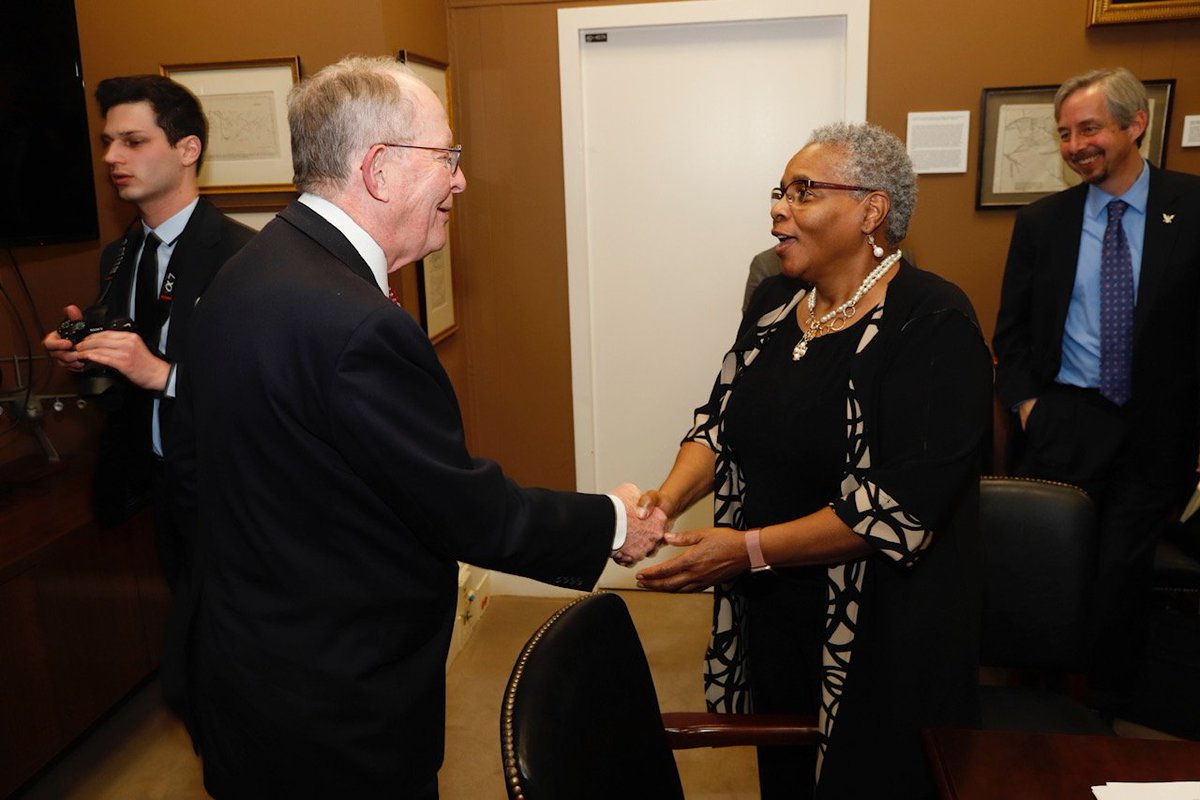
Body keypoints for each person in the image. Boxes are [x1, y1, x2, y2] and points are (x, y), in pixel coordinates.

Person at [162, 55, 665, 799]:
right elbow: (466, 510)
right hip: (332, 705)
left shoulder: (248, 271)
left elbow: (201, 473)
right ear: (380, 169)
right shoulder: (355, 324)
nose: (460, 180)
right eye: (447, 157)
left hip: (246, 669)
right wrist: (614, 521)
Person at [634, 122, 993, 799]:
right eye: (781, 190)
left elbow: (898, 508)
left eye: (804, 191)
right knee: (789, 774)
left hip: (885, 626)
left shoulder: (934, 321)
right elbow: (718, 423)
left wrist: (748, 549)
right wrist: (661, 505)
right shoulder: (773, 305)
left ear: (871, 210)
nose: (779, 207)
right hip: (779, 604)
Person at [993, 67, 1200, 716]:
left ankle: (1100, 712)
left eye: (1089, 128)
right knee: (1054, 571)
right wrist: (1030, 410)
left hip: (1156, 430)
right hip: (1065, 423)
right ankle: (1041, 699)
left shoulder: (1192, 209)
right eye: (1064, 134)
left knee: (1118, 580)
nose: (1075, 144)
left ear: (1135, 124)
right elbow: (1014, 331)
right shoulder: (1041, 222)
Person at [41, 75, 254, 590]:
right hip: (153, 483)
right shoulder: (119, 255)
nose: (112, 157)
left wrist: (163, 374)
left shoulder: (244, 256)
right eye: (107, 143)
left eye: (133, 142)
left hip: (228, 489)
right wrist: (84, 357)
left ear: (188, 149)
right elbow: (123, 377)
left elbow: (265, 389)